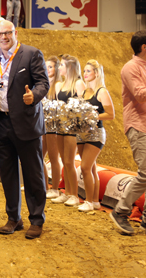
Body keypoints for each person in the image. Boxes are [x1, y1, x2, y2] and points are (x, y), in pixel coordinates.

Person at [0, 18, 49, 239]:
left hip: (26, 124)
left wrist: (34, 96)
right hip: (2, 123)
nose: (3, 37)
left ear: (15, 32)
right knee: (8, 174)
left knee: (33, 174)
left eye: (8, 33)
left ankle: (36, 219)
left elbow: (43, 83)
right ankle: (14, 217)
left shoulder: (31, 54)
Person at [110, 31, 146, 234]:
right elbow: (140, 95)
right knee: (145, 173)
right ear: (144, 47)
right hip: (138, 126)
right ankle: (120, 211)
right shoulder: (130, 67)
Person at [77, 60, 114, 212]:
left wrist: (94, 116)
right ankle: (95, 201)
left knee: (85, 167)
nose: (85, 74)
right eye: (84, 71)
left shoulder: (102, 92)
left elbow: (111, 115)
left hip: (96, 134)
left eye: (88, 71)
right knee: (91, 168)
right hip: (81, 134)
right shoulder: (85, 92)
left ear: (96, 73)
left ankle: (89, 201)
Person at [51, 54, 85, 207]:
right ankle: (67, 192)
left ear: (69, 67)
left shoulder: (78, 83)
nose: (59, 68)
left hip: (72, 128)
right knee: (64, 161)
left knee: (70, 161)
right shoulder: (60, 85)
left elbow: (82, 107)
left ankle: (75, 194)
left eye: (62, 65)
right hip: (60, 126)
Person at [43, 56, 62, 199]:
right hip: (42, 124)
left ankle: (55, 188)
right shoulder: (43, 83)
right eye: (46, 66)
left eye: (50, 67)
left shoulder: (58, 85)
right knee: (39, 155)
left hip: (54, 125)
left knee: (54, 158)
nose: (48, 69)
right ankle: (43, 186)